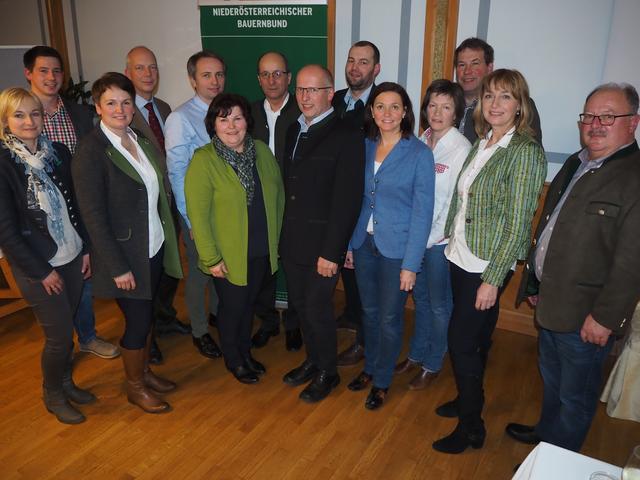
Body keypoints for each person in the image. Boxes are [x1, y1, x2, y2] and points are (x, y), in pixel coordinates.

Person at [507, 82, 640, 452]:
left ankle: (554, 465)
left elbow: (632, 262)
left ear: (633, 122)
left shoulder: (634, 179)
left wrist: (606, 318)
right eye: (589, 116)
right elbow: (551, 226)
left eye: (608, 116)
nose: (595, 124)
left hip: (587, 318)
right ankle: (546, 434)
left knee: (575, 398)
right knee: (552, 381)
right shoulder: (576, 162)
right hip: (552, 300)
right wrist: (535, 283)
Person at [432, 69, 546, 454]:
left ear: (520, 106)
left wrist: (493, 280)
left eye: (505, 97)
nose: (495, 104)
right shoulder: (483, 141)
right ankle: (468, 399)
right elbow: (464, 197)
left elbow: (518, 225)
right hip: (458, 255)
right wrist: (449, 231)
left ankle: (471, 427)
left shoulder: (525, 152)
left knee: (461, 342)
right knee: (476, 340)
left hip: (484, 265)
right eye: (489, 96)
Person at [72, 72, 182, 414]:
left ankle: (145, 372)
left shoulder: (139, 138)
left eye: (125, 102)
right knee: (136, 322)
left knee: (147, 315)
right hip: (124, 255)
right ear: (97, 105)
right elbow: (93, 216)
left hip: (153, 244)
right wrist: (117, 267)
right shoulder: (92, 150)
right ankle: (134, 386)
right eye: (111, 103)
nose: (120, 109)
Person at [0, 88, 94, 424]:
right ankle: (52, 394)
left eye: (35, 114)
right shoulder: (4, 163)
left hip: (70, 255)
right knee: (57, 338)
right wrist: (41, 272)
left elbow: (77, 208)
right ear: (6, 121)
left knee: (67, 331)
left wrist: (84, 248)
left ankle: (67, 383)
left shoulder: (58, 153)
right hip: (37, 268)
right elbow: (7, 232)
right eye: (19, 115)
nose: (29, 121)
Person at [23, 45, 119, 360]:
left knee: (83, 276)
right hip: (37, 217)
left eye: (57, 71)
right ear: (28, 74)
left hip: (79, 208)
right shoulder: (18, 116)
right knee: (51, 288)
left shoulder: (78, 113)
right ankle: (59, 344)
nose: (51, 77)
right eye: (43, 71)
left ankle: (87, 336)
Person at [346, 82, 434, 410]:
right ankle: (369, 367)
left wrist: (411, 264)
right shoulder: (364, 146)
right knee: (368, 313)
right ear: (371, 111)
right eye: (380, 106)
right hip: (364, 243)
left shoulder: (419, 154)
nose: (387, 113)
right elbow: (355, 199)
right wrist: (349, 245)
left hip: (397, 250)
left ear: (406, 112)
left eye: (394, 106)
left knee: (389, 317)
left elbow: (422, 213)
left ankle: (382, 380)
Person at [185, 93, 284, 384]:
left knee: (248, 306)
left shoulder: (262, 152)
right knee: (232, 310)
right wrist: (211, 258)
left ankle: (245, 353)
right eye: (223, 119)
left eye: (237, 118)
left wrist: (276, 243)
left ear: (247, 122)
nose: (231, 126)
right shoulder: (204, 161)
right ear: (213, 124)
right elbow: (198, 216)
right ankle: (235, 359)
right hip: (227, 256)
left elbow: (277, 198)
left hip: (261, 250)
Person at [280, 65, 364, 403]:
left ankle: (328, 372)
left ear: (330, 93)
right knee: (300, 307)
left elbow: (346, 201)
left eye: (313, 90)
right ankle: (312, 361)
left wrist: (332, 252)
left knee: (317, 308)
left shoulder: (347, 135)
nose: (305, 97)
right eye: (301, 90)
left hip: (323, 247)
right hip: (293, 241)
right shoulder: (293, 130)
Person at [395, 79, 471, 390]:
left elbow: (452, 204)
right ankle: (415, 355)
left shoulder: (461, 148)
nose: (437, 112)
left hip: (438, 244)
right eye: (432, 105)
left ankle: (433, 362)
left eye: (446, 107)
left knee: (440, 305)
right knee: (421, 301)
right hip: (417, 240)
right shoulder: (421, 138)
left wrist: (424, 242)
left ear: (457, 113)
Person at [125, 46, 191, 349]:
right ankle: (145, 334)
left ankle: (164, 317)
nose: (148, 74)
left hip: (169, 202)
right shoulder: (122, 111)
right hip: (142, 207)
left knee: (170, 265)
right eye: (140, 68)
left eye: (152, 67)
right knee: (148, 272)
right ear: (128, 73)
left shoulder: (164, 108)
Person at [165, 50, 225, 360]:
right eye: (206, 75)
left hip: (224, 212)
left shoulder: (225, 112)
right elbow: (177, 172)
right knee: (200, 273)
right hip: (198, 213)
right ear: (192, 80)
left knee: (219, 268)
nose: (214, 81)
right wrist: (191, 221)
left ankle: (216, 315)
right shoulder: (179, 118)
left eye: (219, 75)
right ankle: (200, 331)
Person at [332, 40, 381, 367]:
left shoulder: (382, 105)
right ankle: (350, 314)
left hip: (364, 201)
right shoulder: (334, 99)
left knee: (364, 275)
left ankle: (365, 340)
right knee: (344, 262)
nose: (355, 67)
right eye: (351, 60)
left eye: (363, 62)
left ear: (375, 69)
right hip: (334, 197)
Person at [250, 51, 302, 352]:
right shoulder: (248, 112)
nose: (272, 80)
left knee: (293, 268)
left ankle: (294, 325)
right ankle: (268, 322)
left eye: (278, 73)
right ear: (259, 79)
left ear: (289, 78)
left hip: (295, 207)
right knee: (264, 268)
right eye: (266, 74)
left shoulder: (303, 110)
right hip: (259, 206)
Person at [454, 37, 543, 146]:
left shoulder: (515, 105)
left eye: (475, 64)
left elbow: (531, 153)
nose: (467, 71)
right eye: (462, 65)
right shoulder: (445, 101)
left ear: (489, 68)